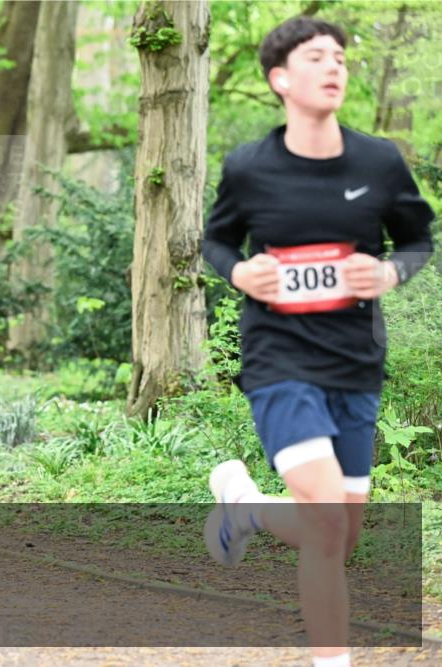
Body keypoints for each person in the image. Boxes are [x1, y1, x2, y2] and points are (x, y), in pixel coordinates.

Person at [201, 16, 434, 667]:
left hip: (354, 362)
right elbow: (216, 242)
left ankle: (245, 508)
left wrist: (390, 270)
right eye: (316, 57)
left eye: (340, 57)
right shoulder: (248, 168)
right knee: (328, 522)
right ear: (280, 78)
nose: (334, 67)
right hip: (279, 358)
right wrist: (241, 270)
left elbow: (418, 238)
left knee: (339, 535)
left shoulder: (379, 161)